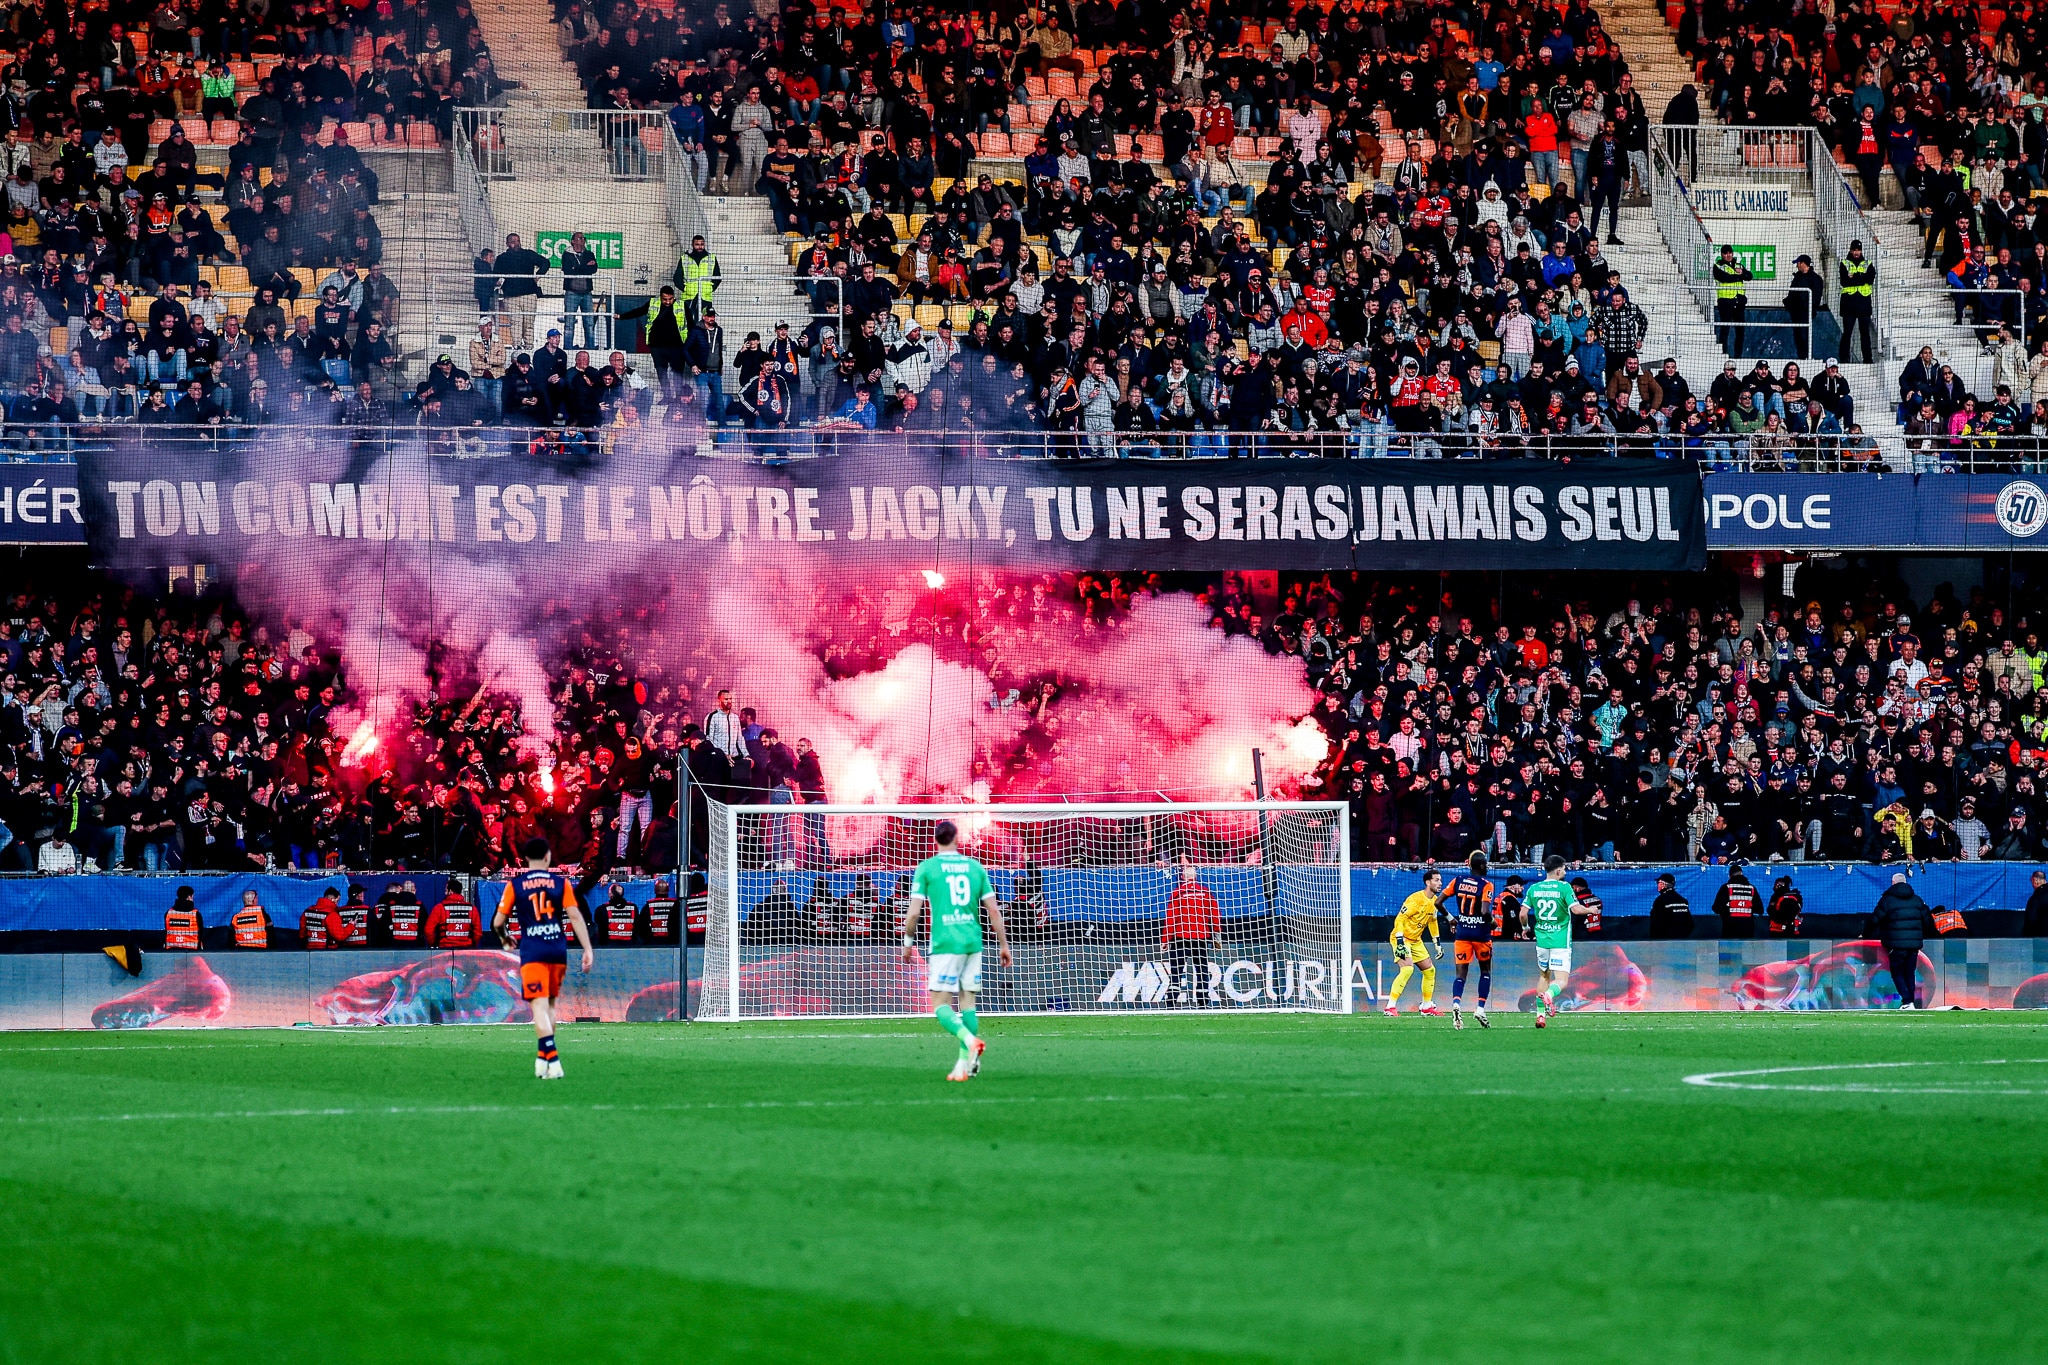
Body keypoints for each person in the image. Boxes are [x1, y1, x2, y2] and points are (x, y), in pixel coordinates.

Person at [900, 818, 1013, 1081]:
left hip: (945, 943)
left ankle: (970, 1042)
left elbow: (914, 913)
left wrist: (908, 944)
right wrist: (1004, 944)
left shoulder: (927, 868)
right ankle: (964, 1066)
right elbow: (993, 911)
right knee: (968, 1003)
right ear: (956, 839)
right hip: (973, 941)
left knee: (940, 1005)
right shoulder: (975, 868)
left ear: (936, 840)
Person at [492, 836, 595, 1079]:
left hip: (534, 950)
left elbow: (497, 922)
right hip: (558, 950)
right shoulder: (561, 884)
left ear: (526, 859)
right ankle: (542, 1059)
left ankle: (553, 1059)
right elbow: (576, 917)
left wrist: (505, 938)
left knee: (538, 1006)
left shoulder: (514, 885)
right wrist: (587, 949)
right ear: (548, 857)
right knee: (549, 1005)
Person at [1521, 854, 1589, 1027]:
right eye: (1564, 868)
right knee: (1561, 981)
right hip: (1560, 942)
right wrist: (1592, 910)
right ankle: (1549, 996)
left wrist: (1525, 928)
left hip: (1542, 941)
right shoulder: (1564, 888)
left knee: (1544, 976)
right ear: (1558, 870)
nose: (1565, 872)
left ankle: (1540, 1015)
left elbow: (1522, 914)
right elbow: (1577, 910)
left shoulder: (1533, 889)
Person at [1864, 872, 1935, 1010]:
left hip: (1895, 945)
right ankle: (1910, 1002)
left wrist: (1865, 934)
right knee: (1909, 973)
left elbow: (1874, 919)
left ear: (1893, 883)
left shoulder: (1887, 900)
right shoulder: (1917, 900)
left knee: (1897, 973)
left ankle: (1907, 1001)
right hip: (1914, 945)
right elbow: (1928, 922)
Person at [1445, 850, 1496, 1029]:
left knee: (1460, 975)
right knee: (1485, 972)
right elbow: (1484, 911)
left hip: (1462, 934)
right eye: (1486, 864)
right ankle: (1480, 1008)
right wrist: (1493, 923)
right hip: (1481, 935)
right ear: (1481, 866)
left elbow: (1438, 902)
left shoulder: (1457, 881)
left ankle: (1456, 1004)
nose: (1488, 867)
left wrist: (1451, 917)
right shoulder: (1486, 885)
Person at [1383, 868, 1444, 1018]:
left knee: (1430, 970)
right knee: (1407, 969)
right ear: (1427, 882)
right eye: (1436, 880)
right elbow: (1400, 919)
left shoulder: (1435, 902)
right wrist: (1399, 940)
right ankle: (1390, 1007)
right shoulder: (1415, 899)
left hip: (1416, 940)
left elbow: (1433, 922)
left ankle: (1426, 1006)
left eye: (1440, 880)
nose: (1440, 883)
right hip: (1401, 937)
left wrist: (1437, 944)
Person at [1162, 860, 1221, 1007]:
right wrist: (1217, 938)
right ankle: (1202, 1001)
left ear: (1183, 877)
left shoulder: (1177, 893)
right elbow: (1214, 916)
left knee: (1176, 971)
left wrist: (1165, 939)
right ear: (1195, 877)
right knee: (1201, 970)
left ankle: (1171, 1000)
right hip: (1200, 937)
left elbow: (1171, 918)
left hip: (1180, 937)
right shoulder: (1206, 892)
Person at [1712, 244, 1753, 357]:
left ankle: (1738, 355)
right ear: (1721, 255)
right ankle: (1723, 354)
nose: (1728, 255)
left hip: (1738, 301)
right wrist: (1740, 276)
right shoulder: (1718, 266)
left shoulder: (1739, 265)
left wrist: (1743, 273)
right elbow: (1724, 278)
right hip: (1725, 302)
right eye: (1725, 253)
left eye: (1730, 253)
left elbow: (1749, 276)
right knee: (1725, 329)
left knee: (1740, 331)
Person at [1838, 240, 1875, 363]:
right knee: (1847, 333)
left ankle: (1868, 359)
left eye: (1858, 250)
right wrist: (1861, 278)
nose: (1856, 252)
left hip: (1863, 303)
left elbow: (1870, 279)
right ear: (1850, 250)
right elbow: (1844, 281)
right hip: (1849, 303)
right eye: (1854, 250)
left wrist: (1855, 276)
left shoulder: (1868, 263)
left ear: (1861, 250)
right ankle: (1843, 358)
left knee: (1865, 334)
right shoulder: (1844, 263)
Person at [1711, 862, 1761, 938]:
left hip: (1730, 929)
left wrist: (1728, 909)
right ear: (1741, 874)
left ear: (1729, 876)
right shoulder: (1752, 888)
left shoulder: (1726, 888)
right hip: (1748, 930)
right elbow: (1760, 909)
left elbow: (1716, 908)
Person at [1647, 872, 1694, 939]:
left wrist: (1655, 942)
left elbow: (1656, 924)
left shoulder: (1660, 901)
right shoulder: (1683, 901)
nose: (1657, 885)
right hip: (1681, 941)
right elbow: (1690, 924)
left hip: (1664, 942)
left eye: (1658, 883)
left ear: (1663, 884)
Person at [164, 884, 202, 950]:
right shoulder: (196, 914)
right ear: (189, 897)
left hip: (171, 950)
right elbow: (201, 933)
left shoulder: (169, 913)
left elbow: (166, 931)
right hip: (192, 950)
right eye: (192, 897)